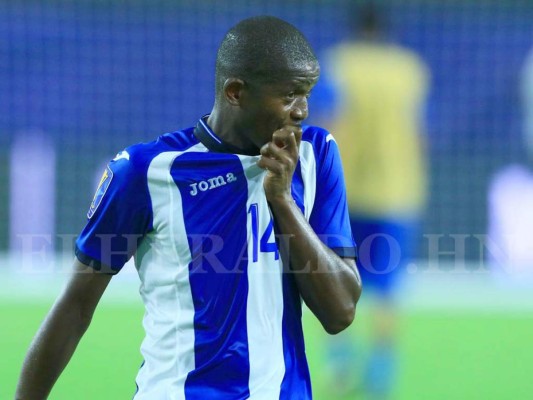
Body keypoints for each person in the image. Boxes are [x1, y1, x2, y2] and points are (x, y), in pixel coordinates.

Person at [15, 16, 362, 400]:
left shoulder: (315, 154)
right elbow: (76, 305)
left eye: (307, 94)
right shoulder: (145, 171)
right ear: (235, 92)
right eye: (290, 96)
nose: (302, 111)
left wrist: (281, 200)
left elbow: (341, 312)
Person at [316, 3, 430, 399]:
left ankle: (340, 363)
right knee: (388, 286)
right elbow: (417, 130)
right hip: (396, 192)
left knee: (330, 276)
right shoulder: (409, 69)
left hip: (342, 190)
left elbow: (329, 119)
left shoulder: (337, 63)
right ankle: (381, 371)